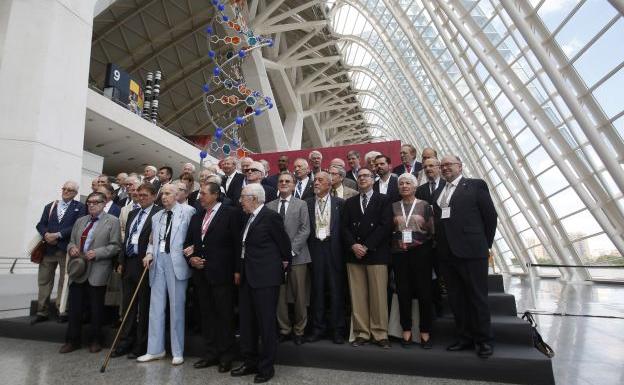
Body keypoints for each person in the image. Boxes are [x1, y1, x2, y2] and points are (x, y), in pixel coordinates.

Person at [434, 155, 497, 358]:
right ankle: (464, 338)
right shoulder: (438, 192)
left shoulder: (476, 185)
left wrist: (483, 245)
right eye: (442, 166)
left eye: (449, 165)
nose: (445, 168)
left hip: (472, 252)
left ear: (460, 166)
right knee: (456, 299)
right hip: (447, 255)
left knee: (477, 298)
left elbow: (490, 217)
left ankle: (484, 341)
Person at [231, 184, 291, 383]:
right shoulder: (249, 218)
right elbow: (244, 247)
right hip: (248, 278)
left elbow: (284, 245)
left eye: (243, 197)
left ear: (254, 198)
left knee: (266, 324)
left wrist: (278, 270)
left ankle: (266, 367)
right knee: (247, 324)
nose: (240, 201)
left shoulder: (270, 217)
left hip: (265, 279)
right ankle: (250, 362)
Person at [185, 182, 241, 372]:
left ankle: (226, 356)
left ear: (215, 195)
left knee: (224, 316)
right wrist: (191, 258)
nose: (200, 196)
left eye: (203, 193)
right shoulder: (197, 215)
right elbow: (189, 242)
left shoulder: (230, 213)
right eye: (200, 193)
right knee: (206, 316)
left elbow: (236, 245)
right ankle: (210, 354)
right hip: (201, 275)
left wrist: (237, 270)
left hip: (222, 274)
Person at [137, 184, 196, 365]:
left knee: (176, 308)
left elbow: (194, 234)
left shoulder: (188, 211)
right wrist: (148, 253)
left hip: (176, 262)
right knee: (155, 308)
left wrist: (193, 247)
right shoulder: (156, 216)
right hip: (158, 261)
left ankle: (177, 351)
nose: (164, 196)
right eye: (162, 193)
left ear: (177, 195)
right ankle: (155, 349)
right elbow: (153, 240)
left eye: (168, 193)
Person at [60, 192, 121, 354]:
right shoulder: (80, 221)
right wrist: (71, 248)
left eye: (96, 202)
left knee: (96, 308)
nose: (91, 205)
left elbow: (115, 246)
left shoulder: (112, 221)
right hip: (78, 269)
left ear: (103, 203)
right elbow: (71, 241)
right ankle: (72, 341)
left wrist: (98, 252)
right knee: (75, 308)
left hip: (97, 269)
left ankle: (96, 340)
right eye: (89, 202)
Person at [342, 167, 392, 349]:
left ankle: (380, 333)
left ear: (373, 179)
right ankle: (362, 333)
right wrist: (353, 246)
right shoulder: (350, 202)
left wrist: (367, 246)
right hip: (354, 255)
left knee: (378, 296)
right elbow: (344, 227)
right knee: (358, 296)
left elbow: (385, 226)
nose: (362, 178)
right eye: (360, 176)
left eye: (366, 176)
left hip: (376, 254)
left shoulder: (384, 200)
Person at [111, 183, 162, 359]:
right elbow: (126, 240)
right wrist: (121, 261)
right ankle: (125, 341)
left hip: (146, 263)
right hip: (130, 262)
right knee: (128, 305)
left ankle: (140, 345)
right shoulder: (133, 213)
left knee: (144, 305)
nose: (140, 198)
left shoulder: (159, 214)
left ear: (154, 196)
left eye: (144, 195)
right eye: (138, 195)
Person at [267, 172, 311, 345]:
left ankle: (299, 330)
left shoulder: (301, 204)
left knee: (300, 296)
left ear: (294, 185)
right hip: (276, 259)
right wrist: (277, 253)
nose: (284, 183)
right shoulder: (269, 205)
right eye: (281, 181)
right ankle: (284, 329)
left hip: (298, 257)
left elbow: (305, 229)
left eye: (288, 181)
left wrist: (290, 251)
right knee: (280, 296)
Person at [33, 181, 86, 324]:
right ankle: (41, 311)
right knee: (44, 281)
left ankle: (61, 309)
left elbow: (77, 225)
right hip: (48, 250)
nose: (66, 191)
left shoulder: (80, 207)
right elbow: (40, 224)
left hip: (65, 249)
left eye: (70, 190)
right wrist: (46, 235)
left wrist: (58, 235)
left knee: (65, 280)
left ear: (75, 193)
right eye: (65, 188)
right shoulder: (50, 206)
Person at [391, 173, 434, 349]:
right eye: (401, 183)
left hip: (421, 253)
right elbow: (390, 230)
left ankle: (425, 331)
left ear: (415, 187)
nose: (404, 186)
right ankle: (406, 331)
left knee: (424, 293)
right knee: (403, 292)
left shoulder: (424, 206)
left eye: (408, 183)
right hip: (399, 253)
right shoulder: (393, 206)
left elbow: (432, 231)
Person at [305, 171, 346, 344]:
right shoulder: (306, 204)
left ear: (329, 185)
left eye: (320, 180)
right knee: (317, 291)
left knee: (337, 291)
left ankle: (337, 330)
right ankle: (317, 328)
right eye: (315, 180)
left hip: (334, 250)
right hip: (315, 250)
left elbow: (344, 230)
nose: (316, 183)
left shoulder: (341, 204)